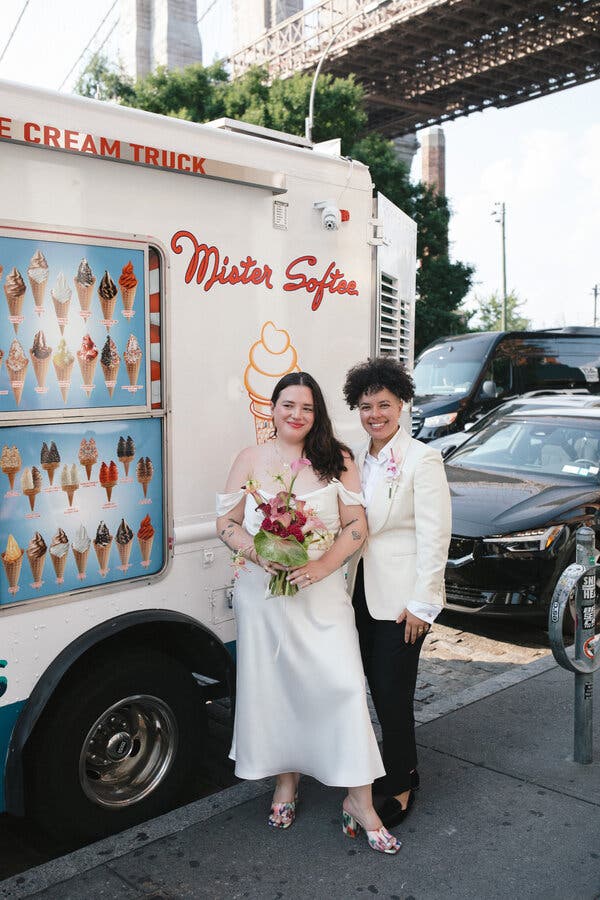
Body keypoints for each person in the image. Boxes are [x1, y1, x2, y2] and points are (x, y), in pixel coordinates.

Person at [216, 371, 400, 854]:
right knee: (277, 689)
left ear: (316, 414)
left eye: (307, 407)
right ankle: (285, 783)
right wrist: (258, 554)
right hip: (266, 597)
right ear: (271, 409)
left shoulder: (336, 459)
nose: (296, 414)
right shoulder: (250, 459)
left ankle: (359, 799)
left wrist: (320, 565)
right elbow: (227, 523)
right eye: (287, 405)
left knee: (342, 688)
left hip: (321, 595)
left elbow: (356, 527)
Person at [342, 357, 452, 828]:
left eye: (383, 404)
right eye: (365, 406)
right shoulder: (351, 458)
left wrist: (422, 604)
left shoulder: (421, 459)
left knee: (392, 695)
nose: (374, 415)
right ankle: (372, 772)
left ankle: (403, 780)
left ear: (402, 404)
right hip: (352, 596)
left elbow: (435, 536)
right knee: (362, 691)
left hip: (400, 602)